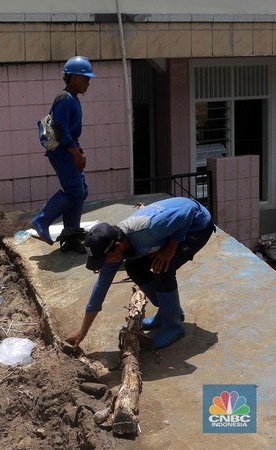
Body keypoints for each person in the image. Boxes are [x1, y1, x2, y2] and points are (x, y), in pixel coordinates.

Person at [64, 197, 216, 350]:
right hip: (171, 229)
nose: (105, 263)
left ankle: (173, 326)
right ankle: (168, 311)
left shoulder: (150, 228)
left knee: (163, 268)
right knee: (134, 266)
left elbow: (188, 210)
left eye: (104, 259)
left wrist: (170, 249)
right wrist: (82, 331)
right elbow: (100, 289)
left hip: (196, 226)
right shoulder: (115, 249)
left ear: (118, 246)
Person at [31, 56, 95, 253]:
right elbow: (61, 128)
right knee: (74, 191)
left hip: (70, 149)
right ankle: (41, 221)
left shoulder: (72, 99)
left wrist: (78, 151)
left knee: (81, 192)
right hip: (63, 152)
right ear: (74, 78)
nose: (88, 83)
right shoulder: (64, 99)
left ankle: (71, 237)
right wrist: (76, 154)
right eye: (86, 79)